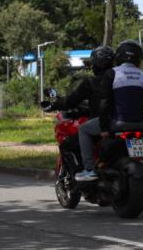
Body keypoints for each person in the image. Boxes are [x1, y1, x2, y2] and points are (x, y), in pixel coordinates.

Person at [78, 39, 143, 182]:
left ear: (118, 56)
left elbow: (104, 103)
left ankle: (89, 169)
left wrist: (104, 127)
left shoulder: (112, 74)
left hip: (117, 124)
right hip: (140, 125)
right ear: (139, 57)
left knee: (83, 129)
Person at [44, 46, 115, 182]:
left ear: (94, 63)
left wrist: (55, 104)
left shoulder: (91, 82)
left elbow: (71, 100)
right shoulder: (119, 79)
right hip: (120, 122)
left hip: (102, 124)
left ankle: (88, 169)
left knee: (68, 144)